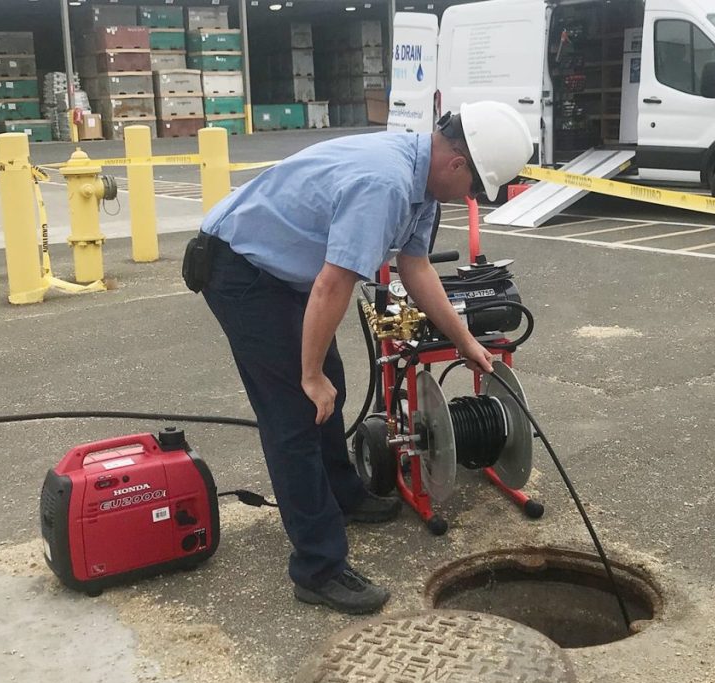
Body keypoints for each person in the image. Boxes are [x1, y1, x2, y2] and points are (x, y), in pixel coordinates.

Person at [193, 101, 534, 615]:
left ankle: (342, 494)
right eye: (472, 187)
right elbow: (334, 282)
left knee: (332, 384)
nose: (469, 198)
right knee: (296, 412)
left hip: (284, 272)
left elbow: (415, 268)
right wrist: (306, 376)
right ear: (456, 164)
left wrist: (466, 342)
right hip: (241, 269)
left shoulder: (423, 186)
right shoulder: (388, 185)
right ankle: (318, 567)